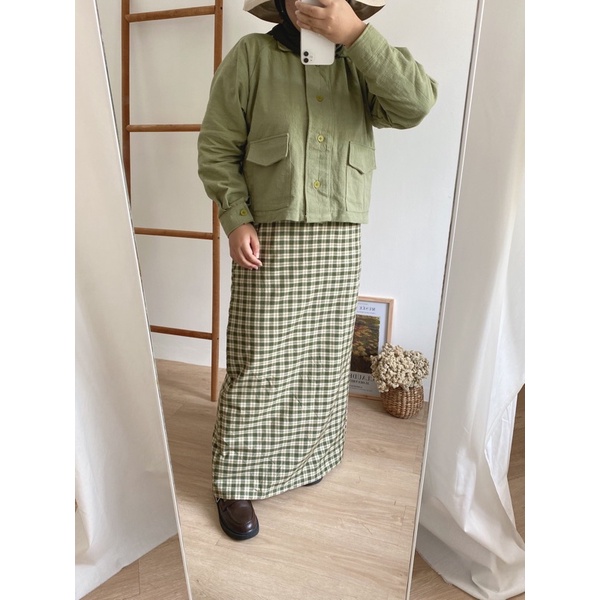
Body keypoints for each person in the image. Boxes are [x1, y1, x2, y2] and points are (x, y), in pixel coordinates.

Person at [197, 0, 437, 541]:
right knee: (261, 357)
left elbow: (417, 103)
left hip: (339, 233)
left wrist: (357, 35)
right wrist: (236, 218)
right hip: (270, 232)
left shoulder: (361, 60)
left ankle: (307, 457)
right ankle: (236, 478)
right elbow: (217, 145)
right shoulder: (252, 56)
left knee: (325, 356)